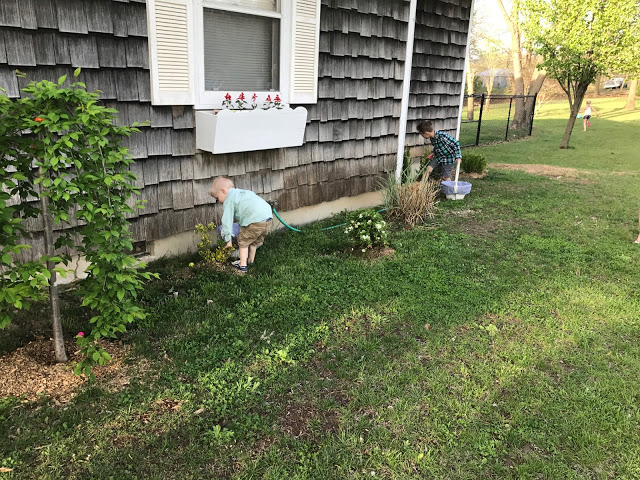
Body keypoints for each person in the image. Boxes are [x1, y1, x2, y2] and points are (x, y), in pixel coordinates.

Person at [209, 176, 273, 273]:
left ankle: (242, 266)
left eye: (217, 198)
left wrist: (228, 242)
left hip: (254, 221)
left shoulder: (229, 199)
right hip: (268, 218)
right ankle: (251, 260)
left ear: (223, 191)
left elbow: (227, 221)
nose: (219, 202)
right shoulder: (243, 192)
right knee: (254, 242)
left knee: (243, 241)